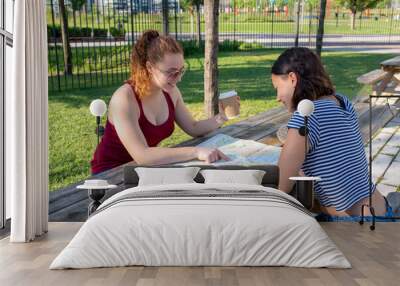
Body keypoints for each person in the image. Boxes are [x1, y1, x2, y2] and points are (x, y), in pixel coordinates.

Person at [270, 47, 400, 217]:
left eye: (277, 87)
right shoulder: (342, 102)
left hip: (356, 229)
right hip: (382, 209)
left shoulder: (306, 118)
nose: (277, 97)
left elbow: (282, 186)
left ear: (293, 79)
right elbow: (332, 154)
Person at [91, 30, 238, 174]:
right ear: (150, 67)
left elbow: (193, 127)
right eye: (171, 72)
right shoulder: (125, 98)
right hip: (110, 174)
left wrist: (221, 117)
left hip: (144, 171)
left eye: (181, 71)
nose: (178, 78)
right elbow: (143, 155)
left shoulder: (171, 91)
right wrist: (196, 151)